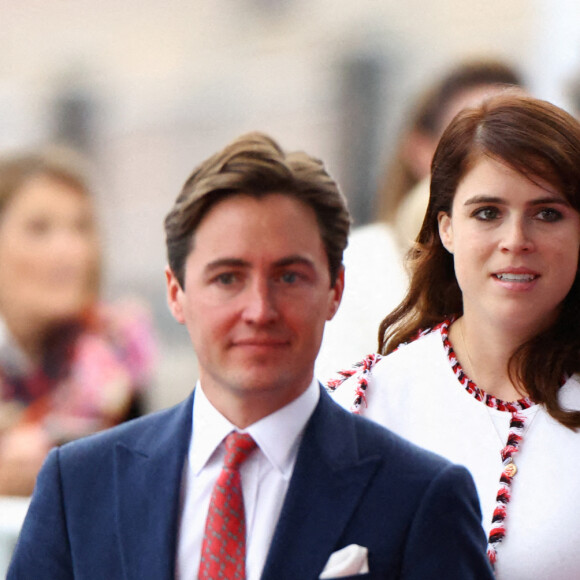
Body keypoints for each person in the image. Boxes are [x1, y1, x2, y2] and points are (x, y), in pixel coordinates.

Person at [8, 132, 493, 579]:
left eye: (289, 277)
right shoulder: (80, 485)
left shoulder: (418, 495)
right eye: (227, 278)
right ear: (176, 293)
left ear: (335, 290)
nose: (259, 310)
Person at [330, 93, 580, 579]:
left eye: (547, 213)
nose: (516, 240)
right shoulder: (359, 406)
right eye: (488, 212)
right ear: (446, 228)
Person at [315, 59, 524, 382]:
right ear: (420, 150)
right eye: (472, 135)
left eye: (521, 136)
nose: (500, 157)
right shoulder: (362, 262)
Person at [0, 150, 155, 496]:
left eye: (82, 227)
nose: (71, 251)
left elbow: (133, 482)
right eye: (39, 229)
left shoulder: (117, 345)